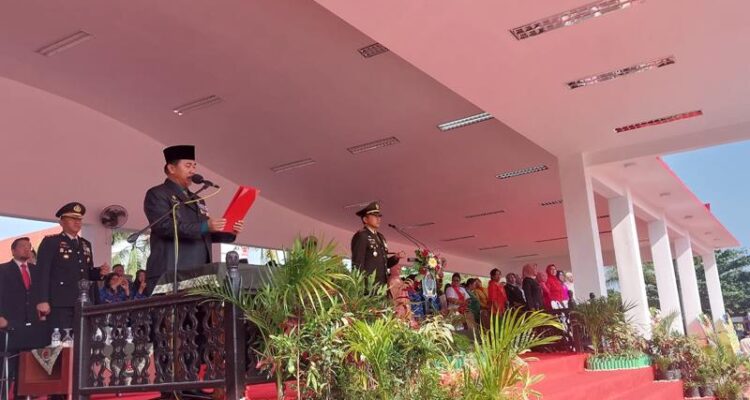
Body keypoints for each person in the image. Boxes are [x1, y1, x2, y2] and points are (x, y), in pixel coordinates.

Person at [144, 145, 244, 293]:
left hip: (201, 273)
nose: (193, 170)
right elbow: (164, 226)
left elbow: (204, 233)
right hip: (171, 272)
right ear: (171, 168)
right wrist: (204, 226)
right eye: (188, 165)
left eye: (194, 166)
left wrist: (230, 231)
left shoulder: (197, 199)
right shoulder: (158, 193)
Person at [36, 202, 110, 332]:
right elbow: (42, 272)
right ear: (61, 222)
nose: (77, 222)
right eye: (72, 218)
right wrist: (42, 300)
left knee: (83, 338)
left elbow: (85, 272)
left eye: (79, 219)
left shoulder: (85, 244)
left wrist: (99, 272)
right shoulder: (51, 242)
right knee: (62, 340)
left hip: (84, 301)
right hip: (61, 302)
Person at [0, 237, 49, 396]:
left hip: (33, 327)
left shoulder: (36, 271)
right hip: (10, 325)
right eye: (22, 246)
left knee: (28, 372)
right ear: (13, 250)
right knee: (7, 370)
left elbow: (43, 294)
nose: (27, 249)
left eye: (29, 246)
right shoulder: (3, 270)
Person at [350, 201, 402, 288]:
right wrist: (359, 288)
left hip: (381, 286)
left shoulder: (380, 237)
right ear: (365, 219)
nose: (378, 219)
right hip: (369, 287)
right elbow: (357, 264)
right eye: (375, 216)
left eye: (379, 216)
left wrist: (395, 258)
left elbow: (384, 264)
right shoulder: (362, 236)